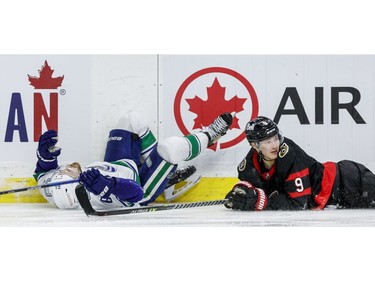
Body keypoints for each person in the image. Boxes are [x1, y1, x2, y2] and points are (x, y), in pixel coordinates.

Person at [34, 111, 233, 210]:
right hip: (141, 186)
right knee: (169, 149)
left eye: (61, 171)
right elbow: (135, 193)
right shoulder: (98, 196)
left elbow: (43, 174)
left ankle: (167, 178)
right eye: (67, 172)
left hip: (123, 164)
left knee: (131, 119)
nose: (67, 167)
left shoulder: (53, 188)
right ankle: (210, 134)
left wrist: (45, 157)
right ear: (77, 187)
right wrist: (108, 186)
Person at [224, 116, 375, 211]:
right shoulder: (249, 165)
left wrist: (262, 201)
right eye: (267, 141)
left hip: (346, 181)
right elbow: (253, 188)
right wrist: (240, 193)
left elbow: (299, 202)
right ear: (254, 146)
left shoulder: (289, 155)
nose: (274, 145)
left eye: (276, 138)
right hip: (338, 194)